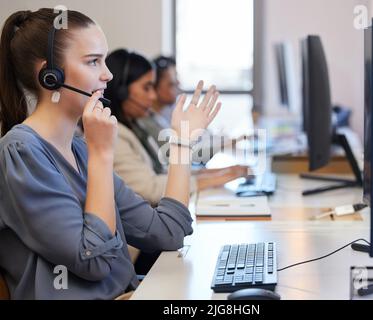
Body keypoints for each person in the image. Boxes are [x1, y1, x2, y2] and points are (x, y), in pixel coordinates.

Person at [0, 8, 220, 299]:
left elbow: (168, 232)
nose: (108, 74)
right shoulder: (22, 154)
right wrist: (102, 154)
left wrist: (182, 142)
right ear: (49, 75)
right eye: (93, 61)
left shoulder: (79, 148)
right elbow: (94, 261)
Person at [104, 49, 248, 206]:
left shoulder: (136, 125)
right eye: (146, 88)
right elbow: (150, 188)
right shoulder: (115, 135)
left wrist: (214, 173)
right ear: (121, 92)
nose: (153, 96)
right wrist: (213, 179)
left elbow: (165, 171)